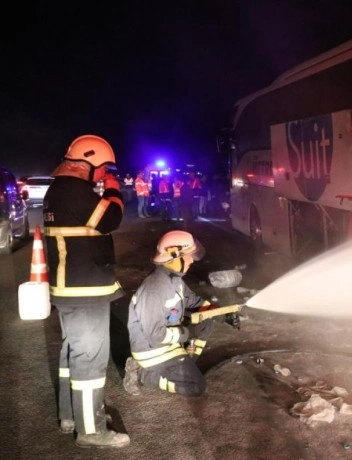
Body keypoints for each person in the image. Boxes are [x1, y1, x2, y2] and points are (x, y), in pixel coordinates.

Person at [43, 134, 130, 448]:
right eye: (103, 167)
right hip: (85, 290)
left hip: (71, 289)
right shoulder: (75, 191)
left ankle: (72, 417)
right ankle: (91, 431)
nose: (104, 172)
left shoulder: (58, 191)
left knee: (73, 354)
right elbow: (111, 218)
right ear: (88, 164)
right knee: (89, 359)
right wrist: (113, 190)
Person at [124, 230, 239, 396]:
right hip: (152, 351)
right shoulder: (153, 289)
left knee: (206, 319)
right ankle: (144, 374)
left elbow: (197, 303)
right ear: (174, 256)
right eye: (189, 256)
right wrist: (187, 333)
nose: (192, 260)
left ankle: (186, 362)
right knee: (196, 386)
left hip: (169, 342)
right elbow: (155, 336)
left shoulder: (175, 280)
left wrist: (223, 315)